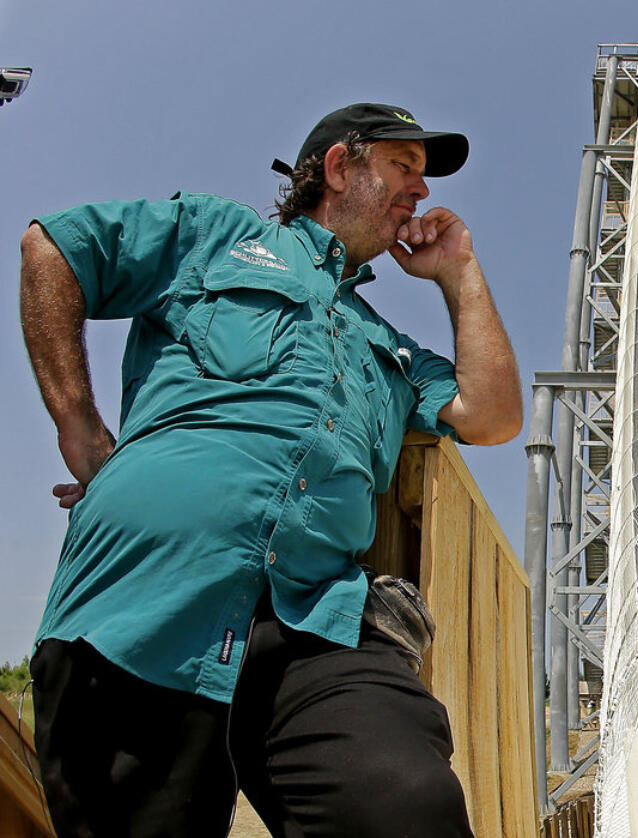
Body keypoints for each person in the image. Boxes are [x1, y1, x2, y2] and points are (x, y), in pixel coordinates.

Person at [19, 102, 521, 838]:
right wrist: (79, 427)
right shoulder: (218, 237)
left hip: (312, 621)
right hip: (141, 605)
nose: (419, 190)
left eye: (422, 176)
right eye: (402, 167)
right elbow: (54, 248)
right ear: (339, 166)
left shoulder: (393, 349)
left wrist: (460, 274)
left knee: (405, 805)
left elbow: (493, 415)